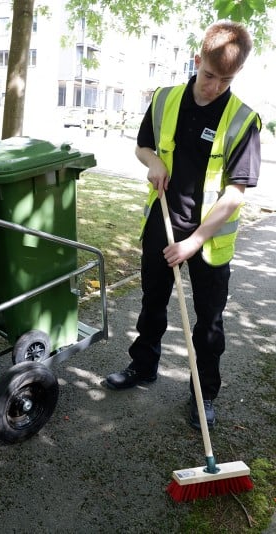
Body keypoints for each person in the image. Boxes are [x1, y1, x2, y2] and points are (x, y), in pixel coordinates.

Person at [104, 21, 262, 431]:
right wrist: (152, 161)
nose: (214, 87)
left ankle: (203, 394)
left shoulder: (243, 119)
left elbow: (235, 193)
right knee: (152, 302)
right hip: (161, 223)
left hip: (207, 240)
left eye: (226, 80)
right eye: (209, 76)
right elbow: (142, 146)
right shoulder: (164, 99)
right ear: (197, 62)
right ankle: (143, 367)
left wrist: (194, 241)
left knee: (209, 322)